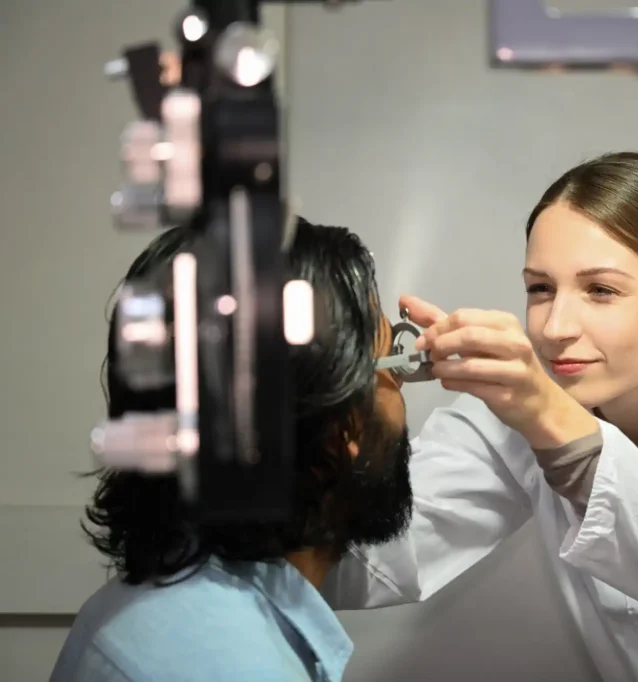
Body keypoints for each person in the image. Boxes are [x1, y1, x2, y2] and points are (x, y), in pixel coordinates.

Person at [323, 151, 638, 682]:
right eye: (541, 289)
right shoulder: (516, 415)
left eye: (601, 290)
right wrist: (337, 413)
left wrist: (552, 421)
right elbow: (370, 557)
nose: (556, 327)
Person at [51, 219, 415, 682]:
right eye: (395, 368)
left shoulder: (140, 611)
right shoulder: (240, 667)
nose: (401, 394)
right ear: (345, 429)